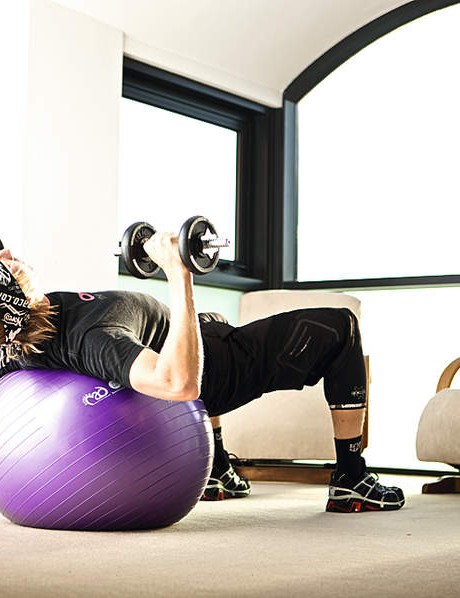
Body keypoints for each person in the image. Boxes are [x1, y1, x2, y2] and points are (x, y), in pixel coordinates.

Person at [0, 237, 404, 513]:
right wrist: (178, 273)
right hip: (216, 369)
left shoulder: (21, 334)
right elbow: (180, 383)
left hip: (199, 334)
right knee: (339, 327)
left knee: (212, 319)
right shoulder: (93, 340)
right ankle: (351, 477)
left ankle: (217, 468)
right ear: (14, 289)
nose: (10, 255)